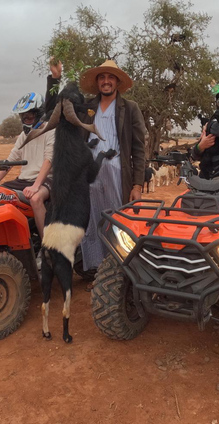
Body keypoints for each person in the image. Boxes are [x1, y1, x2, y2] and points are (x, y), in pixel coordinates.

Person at [79, 60, 146, 280]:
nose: (106, 81)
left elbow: (138, 148)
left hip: (117, 173)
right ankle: (97, 273)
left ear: (117, 82)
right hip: (90, 175)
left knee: (117, 222)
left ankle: (120, 274)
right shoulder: (87, 108)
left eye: (110, 77)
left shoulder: (130, 108)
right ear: (97, 82)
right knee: (92, 221)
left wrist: (137, 184)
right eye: (102, 77)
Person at [0, 61, 61, 239]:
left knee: (36, 199)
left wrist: (36, 185)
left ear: (38, 113)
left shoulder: (50, 131)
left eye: (29, 116)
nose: (26, 120)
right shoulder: (23, 136)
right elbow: (9, 162)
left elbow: (49, 160)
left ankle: (48, 248)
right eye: (23, 117)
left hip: (48, 180)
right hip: (24, 179)